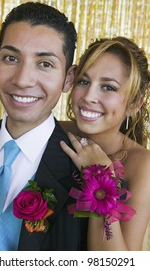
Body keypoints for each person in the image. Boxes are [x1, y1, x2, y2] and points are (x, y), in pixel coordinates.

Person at [0, 1, 88, 251]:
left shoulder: (85, 179)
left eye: (45, 64)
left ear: (68, 78)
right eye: (11, 58)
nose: (22, 79)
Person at [59, 37, 150, 250]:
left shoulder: (142, 164)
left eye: (108, 87)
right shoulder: (52, 132)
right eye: (84, 81)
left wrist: (101, 178)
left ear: (135, 103)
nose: (89, 96)